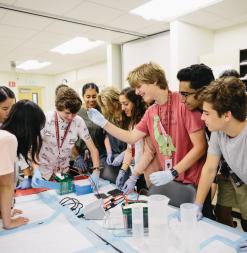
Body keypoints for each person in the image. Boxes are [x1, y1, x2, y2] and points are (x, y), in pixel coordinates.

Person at [87, 62, 207, 191]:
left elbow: (200, 147)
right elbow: (132, 137)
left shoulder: (184, 103)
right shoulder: (151, 112)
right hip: (171, 180)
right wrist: (104, 123)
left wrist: (173, 172)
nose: (137, 92)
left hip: (193, 183)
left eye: (139, 86)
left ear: (154, 81)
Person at [194, 77, 247, 233]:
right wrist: (198, 204)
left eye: (207, 113)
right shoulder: (218, 132)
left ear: (226, 115)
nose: (202, 118)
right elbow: (210, 168)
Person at [32, 87, 100, 188]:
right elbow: (33, 149)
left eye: (74, 113)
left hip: (63, 173)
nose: (70, 117)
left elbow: (93, 149)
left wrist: (96, 171)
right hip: (43, 173)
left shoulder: (78, 121)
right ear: (57, 107)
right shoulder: (44, 119)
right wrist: (36, 170)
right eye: (67, 113)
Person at [177, 63, 216, 219]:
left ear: (203, 92)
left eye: (186, 94)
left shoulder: (221, 113)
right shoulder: (197, 112)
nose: (182, 100)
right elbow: (211, 164)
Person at [0, 100, 45, 229]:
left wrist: (5, 212)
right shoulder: (8, 139)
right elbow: (5, 185)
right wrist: (8, 222)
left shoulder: (4, 134)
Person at [115, 87, 148, 193]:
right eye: (121, 104)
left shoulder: (145, 121)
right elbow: (130, 150)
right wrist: (123, 170)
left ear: (136, 102)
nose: (123, 108)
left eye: (125, 104)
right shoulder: (131, 123)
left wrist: (134, 176)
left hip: (147, 173)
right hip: (137, 173)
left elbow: (149, 153)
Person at [74, 83, 109, 171]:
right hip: (82, 157)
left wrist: (108, 154)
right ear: (83, 96)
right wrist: (77, 157)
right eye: (88, 96)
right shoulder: (77, 113)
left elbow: (108, 135)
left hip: (101, 156)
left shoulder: (104, 111)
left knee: (101, 181)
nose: (91, 99)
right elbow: (70, 138)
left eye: (94, 96)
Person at [97, 87, 127, 182]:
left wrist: (124, 154)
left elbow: (135, 140)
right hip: (114, 156)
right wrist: (109, 152)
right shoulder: (108, 117)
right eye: (104, 105)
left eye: (108, 104)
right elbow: (106, 136)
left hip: (128, 156)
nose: (106, 107)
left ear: (115, 101)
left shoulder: (127, 115)